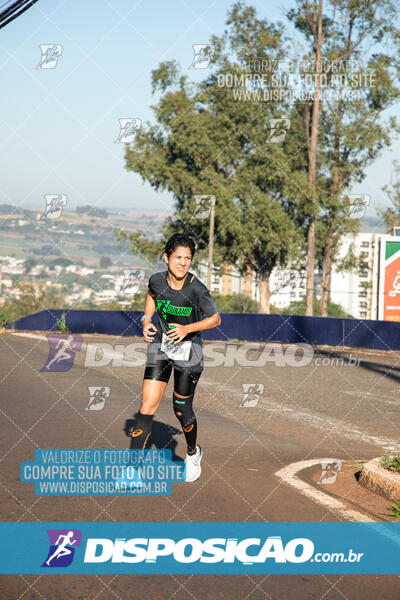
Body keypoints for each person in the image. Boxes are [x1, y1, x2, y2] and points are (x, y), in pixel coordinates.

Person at [130, 233, 221, 482]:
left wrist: (186, 329)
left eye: (188, 258)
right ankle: (133, 468)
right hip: (161, 347)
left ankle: (192, 453)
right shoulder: (157, 281)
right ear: (166, 257)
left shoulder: (197, 289)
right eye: (178, 257)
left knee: (181, 409)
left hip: (190, 352)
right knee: (146, 406)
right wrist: (146, 319)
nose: (183, 262)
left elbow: (215, 319)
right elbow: (151, 296)